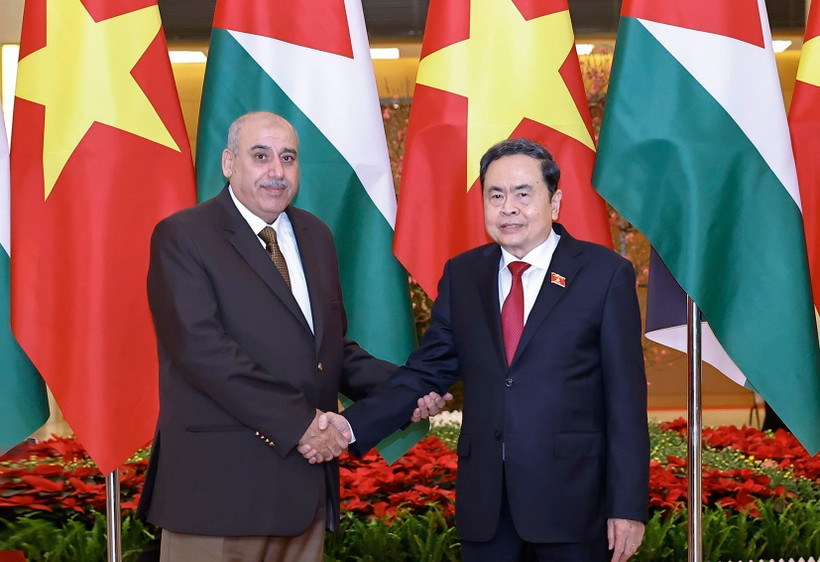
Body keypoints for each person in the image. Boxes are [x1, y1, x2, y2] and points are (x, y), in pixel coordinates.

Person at [321, 139, 650, 562]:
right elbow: (427, 372)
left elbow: (625, 400)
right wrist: (347, 428)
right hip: (487, 510)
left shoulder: (604, 274)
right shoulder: (464, 274)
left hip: (574, 507)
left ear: (556, 202)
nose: (507, 207)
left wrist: (627, 507)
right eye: (495, 195)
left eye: (523, 193)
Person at [137, 111, 446, 561]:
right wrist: (302, 426)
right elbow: (203, 352)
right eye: (260, 156)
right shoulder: (184, 236)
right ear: (228, 162)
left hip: (303, 492)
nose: (276, 172)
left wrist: (407, 388)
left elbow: (329, 350)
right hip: (220, 493)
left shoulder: (315, 236)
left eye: (288, 158)